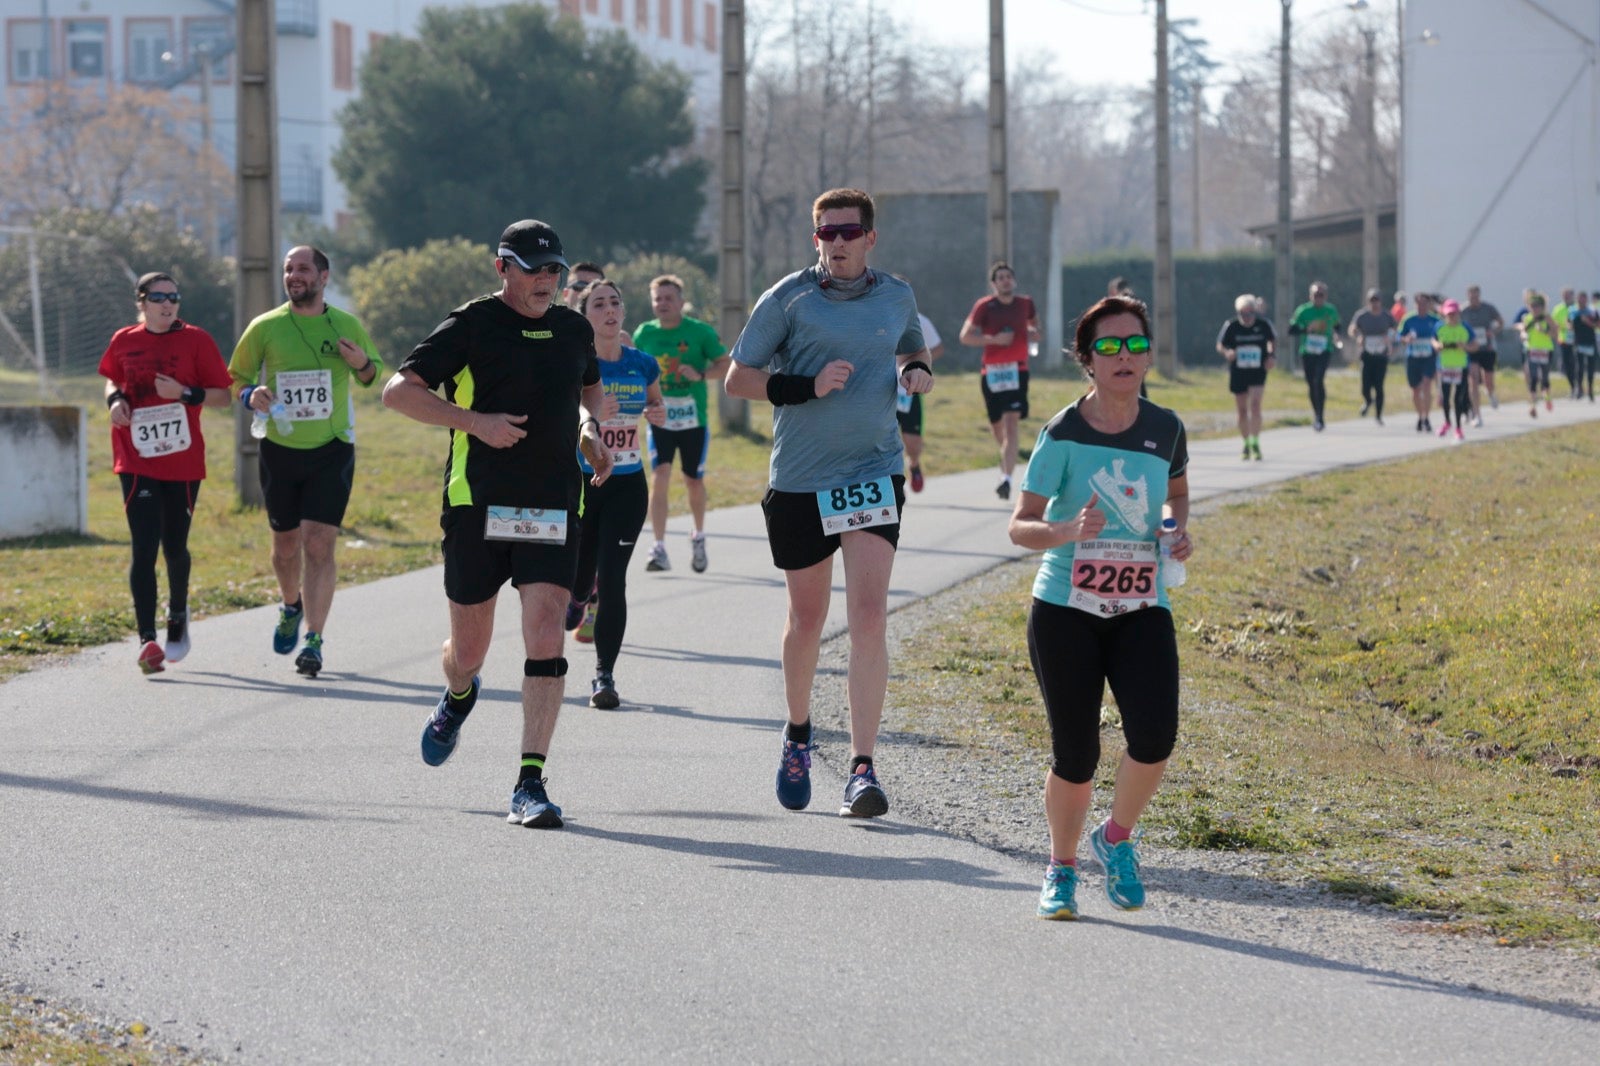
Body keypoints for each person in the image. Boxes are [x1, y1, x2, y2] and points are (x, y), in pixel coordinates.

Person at [382, 219, 612, 829]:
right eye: (532, 268)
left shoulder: (572, 327)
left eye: (553, 270)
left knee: (545, 633)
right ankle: (459, 695)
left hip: (555, 501)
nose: (545, 280)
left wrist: (589, 431)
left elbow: (589, 391)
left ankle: (530, 782)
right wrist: (473, 422)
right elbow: (397, 392)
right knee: (471, 652)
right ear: (501, 267)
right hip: (477, 503)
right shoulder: (472, 324)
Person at [724, 187, 933, 819]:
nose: (835, 242)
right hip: (800, 481)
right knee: (808, 620)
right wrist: (805, 386)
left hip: (872, 471)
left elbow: (910, 346)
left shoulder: (897, 294)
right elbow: (737, 378)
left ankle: (863, 767)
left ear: (870, 237)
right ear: (814, 239)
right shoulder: (787, 299)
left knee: (869, 617)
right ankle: (797, 732)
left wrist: (916, 370)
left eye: (847, 231)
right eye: (824, 233)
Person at [1008, 294, 1191, 920]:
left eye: (1135, 345)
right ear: (1087, 359)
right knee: (1076, 752)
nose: (1124, 356)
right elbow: (1020, 526)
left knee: (1156, 735)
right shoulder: (1061, 433)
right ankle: (1060, 870)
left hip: (1142, 603)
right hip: (1066, 608)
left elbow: (1175, 497)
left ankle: (1114, 839)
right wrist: (1068, 531)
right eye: (1109, 346)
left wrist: (1173, 529)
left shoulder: (1165, 427)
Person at [228, 246, 382, 678]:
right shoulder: (266, 327)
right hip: (280, 449)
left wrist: (361, 362)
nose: (294, 276)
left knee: (319, 544)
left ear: (324, 277)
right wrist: (249, 395)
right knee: (284, 547)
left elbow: (373, 378)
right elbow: (237, 376)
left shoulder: (345, 324)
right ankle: (290, 604)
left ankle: (314, 639)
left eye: (303, 269)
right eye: (288, 269)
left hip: (332, 449)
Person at [100, 272, 233, 675]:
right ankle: (147, 640)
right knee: (144, 547)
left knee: (173, 547)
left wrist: (184, 394)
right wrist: (115, 400)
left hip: (183, 462)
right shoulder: (124, 340)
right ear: (141, 301)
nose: (167, 303)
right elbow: (110, 380)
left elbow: (223, 397)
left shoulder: (196, 340)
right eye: (158, 296)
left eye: (174, 296)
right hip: (136, 459)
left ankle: (177, 612)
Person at [566, 280, 666, 708]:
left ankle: (604, 676)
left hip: (627, 483)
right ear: (585, 315)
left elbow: (656, 406)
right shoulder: (574, 363)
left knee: (613, 577)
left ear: (623, 312)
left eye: (615, 302)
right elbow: (559, 412)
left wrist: (657, 412)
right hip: (583, 483)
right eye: (599, 304)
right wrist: (589, 415)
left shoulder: (642, 363)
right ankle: (575, 598)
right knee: (579, 573)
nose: (609, 310)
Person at [632, 274, 728, 574]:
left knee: (692, 480)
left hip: (692, 419)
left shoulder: (699, 332)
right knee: (659, 475)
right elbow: (635, 369)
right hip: (659, 417)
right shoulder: (644, 334)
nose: (663, 304)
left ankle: (698, 535)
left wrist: (699, 375)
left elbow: (725, 366)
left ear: (681, 301)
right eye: (658, 299)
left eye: (668, 298)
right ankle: (658, 546)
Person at [960, 261, 1038, 500]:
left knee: (1012, 422)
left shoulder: (1026, 304)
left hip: (1018, 370)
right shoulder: (985, 306)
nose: (1005, 280)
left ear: (1013, 280)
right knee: (998, 427)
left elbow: (1036, 329)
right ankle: (1007, 462)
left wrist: (1033, 336)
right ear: (993, 284)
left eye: (1008, 276)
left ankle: (1006, 479)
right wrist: (994, 340)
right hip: (992, 373)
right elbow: (965, 337)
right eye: (1000, 278)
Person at [1216, 293, 1274, 459]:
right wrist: (1228, 352)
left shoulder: (1264, 325)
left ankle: (1255, 441)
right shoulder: (1231, 326)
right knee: (1242, 410)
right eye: (1243, 313)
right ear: (1238, 312)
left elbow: (1272, 341)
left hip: (1257, 371)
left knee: (1255, 405)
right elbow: (1220, 344)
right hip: (1238, 372)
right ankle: (1246, 443)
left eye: (1250, 313)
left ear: (1254, 312)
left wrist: (1271, 355)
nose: (1246, 317)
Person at [1288, 281, 1341, 431]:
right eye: (1315, 295)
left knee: (1319, 380)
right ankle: (1316, 413)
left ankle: (1320, 416)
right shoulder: (1303, 311)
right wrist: (1306, 329)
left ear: (1326, 296)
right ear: (1310, 295)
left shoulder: (1330, 310)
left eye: (1321, 295)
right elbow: (1291, 330)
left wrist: (1336, 336)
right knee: (1311, 383)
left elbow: (1337, 326)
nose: (1318, 298)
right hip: (1307, 351)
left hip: (1324, 350)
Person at [899, 310, 943, 492]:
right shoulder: (875, 313)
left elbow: (938, 348)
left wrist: (918, 360)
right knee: (886, 440)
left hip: (910, 389)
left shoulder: (919, 321)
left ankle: (914, 463)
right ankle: (895, 482)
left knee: (912, 443)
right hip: (884, 390)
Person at [1348, 288, 1394, 425]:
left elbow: (1395, 330)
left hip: (1381, 355)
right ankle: (1368, 400)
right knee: (1365, 385)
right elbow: (1352, 329)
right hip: (1367, 354)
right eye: (1372, 300)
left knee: (1379, 386)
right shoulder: (1362, 315)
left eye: (1377, 300)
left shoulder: (1386, 316)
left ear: (1380, 301)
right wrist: (1358, 336)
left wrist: (1389, 339)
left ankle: (1378, 415)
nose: (1374, 303)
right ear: (1368, 301)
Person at [1398, 292, 1441, 433]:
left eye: (1424, 304)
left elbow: (1442, 336)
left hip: (1429, 357)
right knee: (1416, 390)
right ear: (1415, 304)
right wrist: (1406, 339)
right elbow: (1399, 336)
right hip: (1413, 357)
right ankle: (1420, 416)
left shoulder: (1435, 320)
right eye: (1419, 303)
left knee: (1427, 385)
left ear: (1429, 305)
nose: (1421, 306)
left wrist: (1437, 344)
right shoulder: (1408, 319)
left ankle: (1427, 417)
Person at [1433, 300, 1475, 441]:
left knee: (1458, 398)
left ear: (1458, 313)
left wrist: (1465, 347)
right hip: (1444, 367)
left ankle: (1458, 428)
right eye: (1449, 314)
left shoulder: (1465, 328)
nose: (1451, 317)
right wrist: (1438, 345)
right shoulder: (1439, 327)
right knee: (1445, 397)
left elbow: (1475, 345)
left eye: (1454, 314)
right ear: (1445, 314)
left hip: (1461, 367)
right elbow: (1433, 340)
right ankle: (1447, 423)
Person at [1461, 284, 1504, 423]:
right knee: (1472, 379)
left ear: (1479, 296)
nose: (1473, 299)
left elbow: (1501, 322)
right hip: (1471, 349)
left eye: (1476, 296)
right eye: (1471, 296)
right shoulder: (1463, 310)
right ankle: (1476, 413)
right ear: (1468, 296)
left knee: (1488, 380)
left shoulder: (1488, 308)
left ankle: (1490, 392)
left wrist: (1493, 332)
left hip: (1487, 348)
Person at [1518, 293, 1558, 417]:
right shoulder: (1527, 318)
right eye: (1532, 306)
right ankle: (1533, 406)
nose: (1535, 308)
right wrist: (1524, 337)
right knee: (1533, 377)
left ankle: (1547, 397)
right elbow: (1523, 332)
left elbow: (1555, 335)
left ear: (1542, 307)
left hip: (1546, 350)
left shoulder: (1547, 318)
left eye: (1537, 306)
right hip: (1532, 350)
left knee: (1544, 378)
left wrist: (1544, 330)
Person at [1569, 291, 1597, 401]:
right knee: (1579, 367)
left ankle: (1590, 389)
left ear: (1586, 300)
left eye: (1583, 299)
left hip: (1590, 342)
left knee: (1590, 367)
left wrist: (1587, 322)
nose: (1581, 301)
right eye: (1579, 299)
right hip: (1578, 342)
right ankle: (1580, 389)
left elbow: (1597, 325)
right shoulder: (1573, 311)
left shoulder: (1592, 312)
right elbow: (1569, 324)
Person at [1552, 286, 1577, 398]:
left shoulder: (1577, 308)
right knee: (1567, 364)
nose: (1566, 297)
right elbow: (1553, 324)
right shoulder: (1558, 309)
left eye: (1568, 295)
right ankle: (1573, 386)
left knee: (1577, 363)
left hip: (1577, 340)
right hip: (1564, 339)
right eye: (1564, 296)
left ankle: (1579, 386)